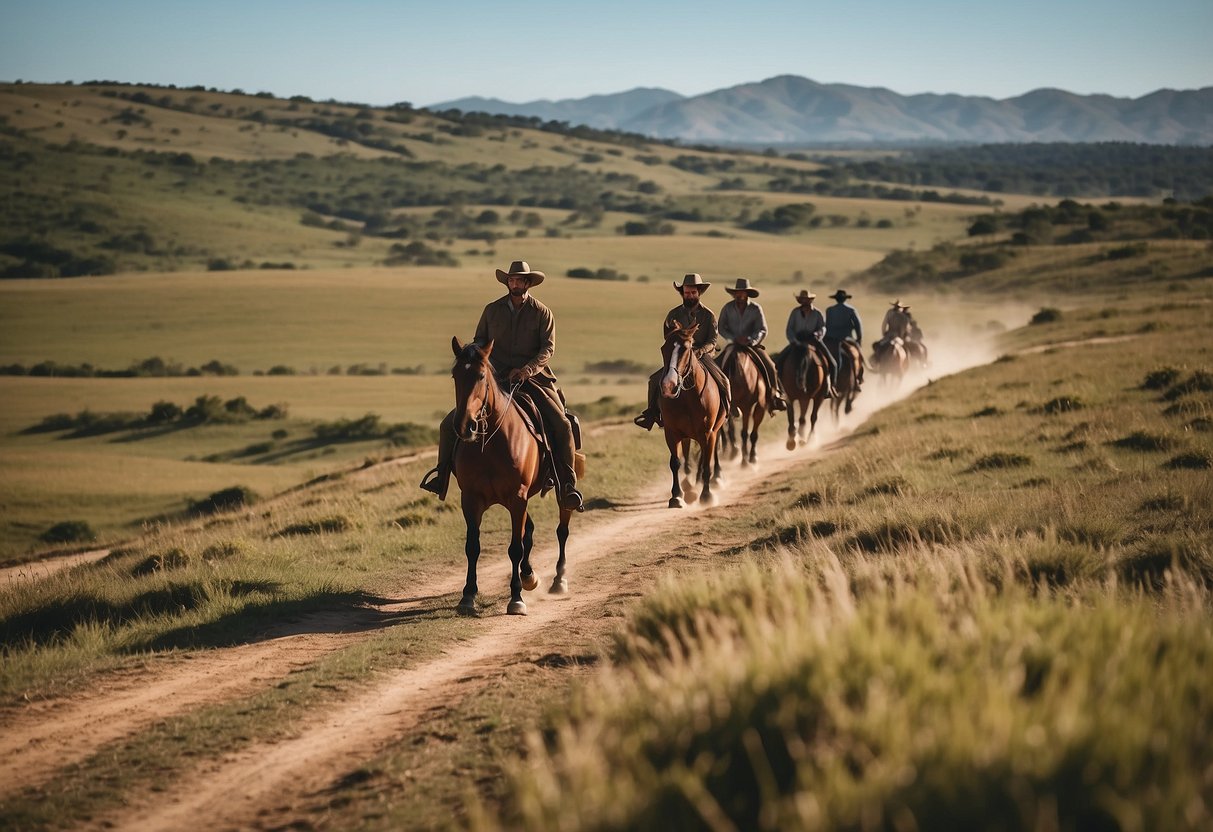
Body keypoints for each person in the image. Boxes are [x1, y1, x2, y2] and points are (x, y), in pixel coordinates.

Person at [421, 260, 583, 511]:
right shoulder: (491, 310)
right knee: (449, 424)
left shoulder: (542, 312)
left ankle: (567, 484)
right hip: (495, 378)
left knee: (562, 424)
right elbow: (479, 341)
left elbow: (547, 348)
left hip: (533, 378)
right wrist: (473, 356)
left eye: (519, 280)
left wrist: (527, 370)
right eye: (511, 280)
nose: (514, 283)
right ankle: (441, 478)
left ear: (528, 283)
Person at [633, 273, 731, 430]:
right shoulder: (673, 314)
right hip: (679, 355)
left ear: (699, 293)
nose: (690, 296)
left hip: (702, 356)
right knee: (654, 380)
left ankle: (725, 413)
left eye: (693, 292)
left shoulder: (708, 315)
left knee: (724, 381)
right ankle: (651, 414)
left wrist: (698, 351)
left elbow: (712, 341)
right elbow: (668, 337)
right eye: (686, 293)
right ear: (682, 293)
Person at [717, 278, 788, 412]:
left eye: (742, 293)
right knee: (716, 365)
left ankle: (775, 396)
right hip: (733, 344)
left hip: (751, 345)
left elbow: (763, 329)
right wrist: (733, 339)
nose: (739, 296)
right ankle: (718, 397)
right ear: (734, 294)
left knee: (770, 366)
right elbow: (721, 328)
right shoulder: (727, 308)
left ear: (747, 294)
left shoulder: (756, 309)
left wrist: (752, 340)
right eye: (737, 294)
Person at [780, 288, 837, 397]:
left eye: (807, 300)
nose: (805, 302)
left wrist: (817, 335)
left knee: (832, 363)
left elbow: (823, 328)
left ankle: (830, 387)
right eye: (803, 300)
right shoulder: (795, 312)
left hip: (814, 341)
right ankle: (779, 389)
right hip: (797, 342)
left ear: (811, 301)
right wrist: (794, 341)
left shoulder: (817, 313)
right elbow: (789, 329)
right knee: (778, 362)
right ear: (800, 301)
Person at [824, 288, 864, 390]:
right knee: (857, 356)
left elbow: (826, 325)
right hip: (846, 338)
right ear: (845, 299)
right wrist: (859, 338)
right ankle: (857, 379)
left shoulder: (829, 310)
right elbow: (858, 325)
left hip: (830, 339)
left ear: (836, 299)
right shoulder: (851, 310)